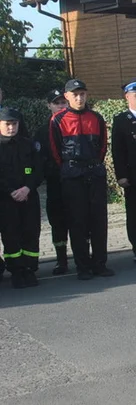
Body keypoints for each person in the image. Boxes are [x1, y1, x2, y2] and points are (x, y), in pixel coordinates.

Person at [50, 79, 113, 281]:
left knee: (98, 221)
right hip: (72, 176)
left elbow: (103, 146)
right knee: (77, 222)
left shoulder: (96, 117)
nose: (79, 98)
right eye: (75, 94)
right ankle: (83, 266)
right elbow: (55, 151)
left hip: (94, 173)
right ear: (66, 96)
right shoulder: (58, 120)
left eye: (82, 94)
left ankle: (100, 264)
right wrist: (70, 168)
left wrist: (94, 164)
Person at [0, 107, 43, 288]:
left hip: (29, 198)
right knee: (11, 236)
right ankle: (16, 271)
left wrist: (27, 188)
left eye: (14, 124)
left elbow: (38, 170)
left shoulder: (29, 145)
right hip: (6, 200)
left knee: (31, 234)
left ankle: (29, 269)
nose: (11, 128)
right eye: (7, 124)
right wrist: (10, 191)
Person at [112, 79, 136, 263]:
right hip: (133, 175)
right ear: (127, 97)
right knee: (134, 212)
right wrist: (121, 176)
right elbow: (117, 151)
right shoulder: (121, 120)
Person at [35, 89, 70, 275]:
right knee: (58, 223)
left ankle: (83, 257)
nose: (61, 106)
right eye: (57, 103)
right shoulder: (42, 131)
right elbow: (38, 161)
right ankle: (61, 260)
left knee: (80, 221)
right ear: (48, 105)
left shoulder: (74, 125)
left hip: (75, 183)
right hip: (55, 184)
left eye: (64, 102)